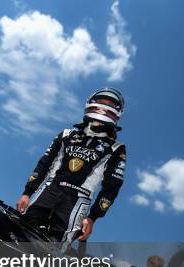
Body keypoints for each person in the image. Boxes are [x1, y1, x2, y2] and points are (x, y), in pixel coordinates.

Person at [16, 87, 127, 242]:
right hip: (48, 189)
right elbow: (44, 164)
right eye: (100, 103)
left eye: (108, 105)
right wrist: (27, 192)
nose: (103, 109)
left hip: (78, 200)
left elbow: (112, 187)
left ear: (117, 113)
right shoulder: (66, 134)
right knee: (19, 234)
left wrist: (93, 217)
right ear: (90, 104)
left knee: (53, 250)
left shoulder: (116, 148)